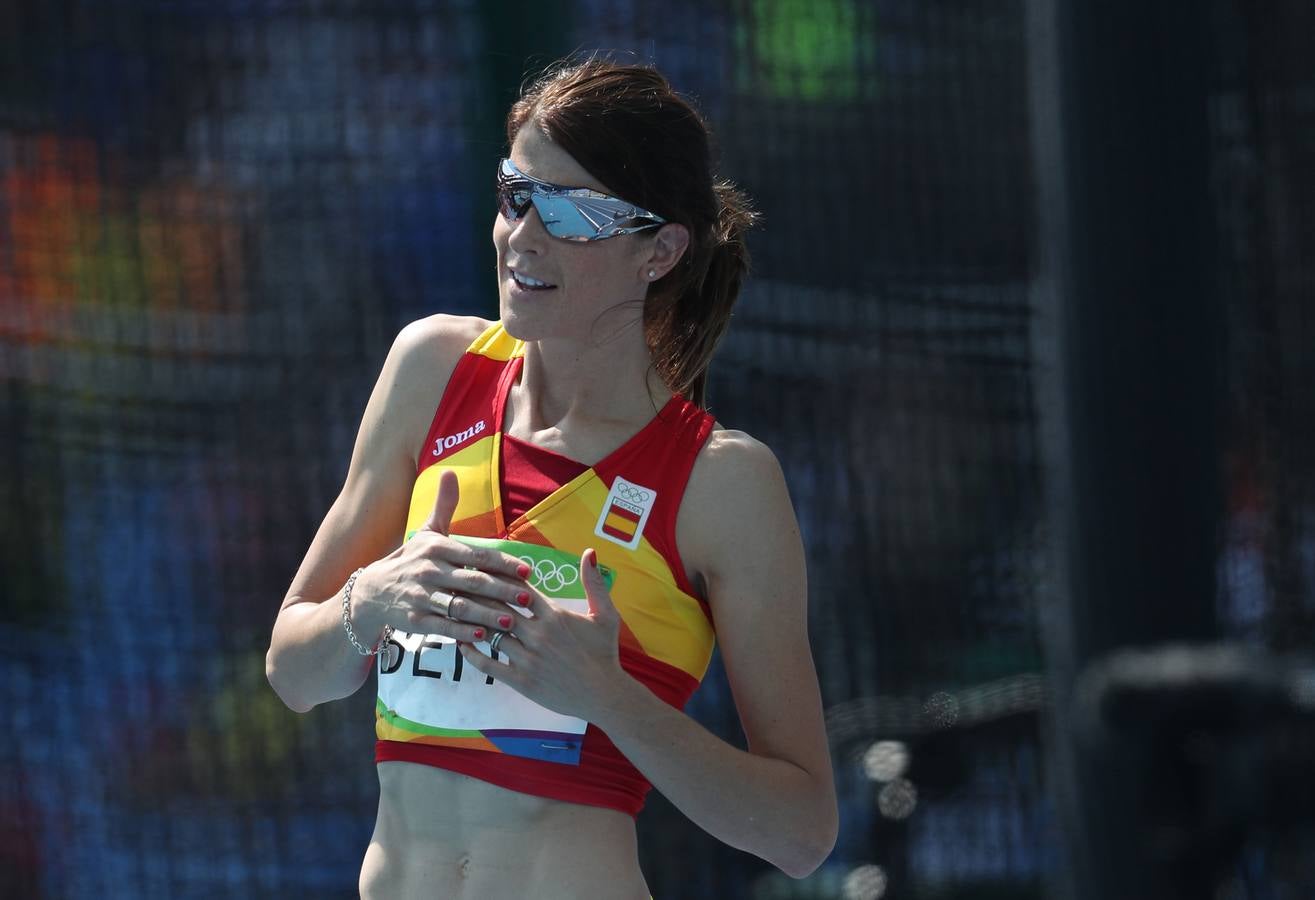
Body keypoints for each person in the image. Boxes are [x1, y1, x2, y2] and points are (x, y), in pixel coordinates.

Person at [265, 56, 837, 900]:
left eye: (570, 212)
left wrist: (605, 694)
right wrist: (376, 599)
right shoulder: (432, 368)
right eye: (515, 195)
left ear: (661, 250)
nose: (523, 237)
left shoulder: (722, 483)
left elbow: (799, 834)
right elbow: (292, 672)